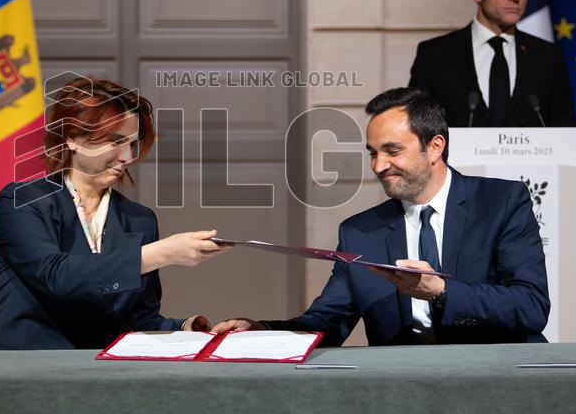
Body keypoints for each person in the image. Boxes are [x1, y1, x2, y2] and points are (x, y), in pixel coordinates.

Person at [212, 87, 551, 345]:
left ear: (435, 146)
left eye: (392, 150)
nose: (378, 166)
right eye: (373, 153)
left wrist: (441, 290)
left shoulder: (501, 203)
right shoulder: (360, 232)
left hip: (494, 381)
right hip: (400, 391)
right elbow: (328, 322)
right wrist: (262, 330)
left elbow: (531, 307)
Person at [0, 78, 227, 351]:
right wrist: (160, 254)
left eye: (132, 144)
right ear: (72, 138)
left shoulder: (140, 220)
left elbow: (137, 320)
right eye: (115, 141)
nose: (127, 157)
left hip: (86, 370)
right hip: (11, 363)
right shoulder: (21, 201)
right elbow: (56, 276)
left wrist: (188, 328)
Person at [408, 0, 576, 169]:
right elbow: (416, 127)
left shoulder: (547, 57)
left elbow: (564, 125)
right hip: (457, 183)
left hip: (528, 185)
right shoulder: (435, 55)